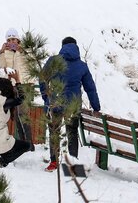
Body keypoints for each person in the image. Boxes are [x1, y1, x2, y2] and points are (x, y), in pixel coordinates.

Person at [40, 36, 100, 172]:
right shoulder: (82, 66)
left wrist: (45, 96)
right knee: (72, 133)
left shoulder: (53, 61)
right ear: (76, 47)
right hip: (73, 105)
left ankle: (54, 162)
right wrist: (96, 106)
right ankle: (72, 165)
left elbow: (42, 77)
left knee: (54, 131)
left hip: (55, 103)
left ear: (62, 46)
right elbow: (90, 88)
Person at [0, 77, 32, 167]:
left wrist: (7, 81)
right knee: (26, 146)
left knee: (4, 144)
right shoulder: (3, 101)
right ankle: (1, 160)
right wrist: (17, 81)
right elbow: (22, 98)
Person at [0, 28, 34, 146]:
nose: (11, 41)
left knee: (23, 115)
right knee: (17, 116)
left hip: (26, 85)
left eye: (13, 39)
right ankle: (24, 143)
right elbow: (0, 65)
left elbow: (33, 62)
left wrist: (23, 51)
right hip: (13, 85)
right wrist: (1, 52)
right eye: (9, 39)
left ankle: (29, 143)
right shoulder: (7, 52)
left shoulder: (25, 49)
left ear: (18, 40)